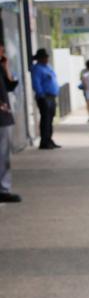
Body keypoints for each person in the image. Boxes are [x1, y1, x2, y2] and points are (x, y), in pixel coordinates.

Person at [29, 49, 60, 149]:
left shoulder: (48, 67)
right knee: (45, 119)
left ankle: (49, 139)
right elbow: (36, 83)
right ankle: (44, 142)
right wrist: (41, 94)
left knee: (50, 119)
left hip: (51, 96)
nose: (47, 59)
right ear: (40, 59)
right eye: (45, 57)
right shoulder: (37, 69)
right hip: (44, 97)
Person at [0, 52, 19, 202]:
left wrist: (5, 67)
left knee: (4, 154)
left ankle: (4, 188)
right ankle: (3, 189)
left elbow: (11, 85)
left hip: (4, 117)